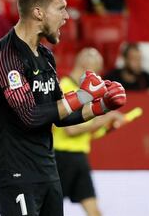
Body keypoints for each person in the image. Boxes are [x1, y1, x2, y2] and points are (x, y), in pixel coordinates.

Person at [0, 0, 126, 216]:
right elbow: (29, 115)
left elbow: (60, 115)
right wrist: (82, 95)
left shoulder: (46, 57)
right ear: (38, 12)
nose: (67, 16)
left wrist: (101, 105)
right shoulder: (5, 55)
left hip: (49, 172)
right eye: (60, 8)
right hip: (16, 173)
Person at [53, 47, 125, 216]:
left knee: (94, 211)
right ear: (86, 65)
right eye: (96, 71)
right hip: (61, 157)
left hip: (79, 158)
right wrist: (104, 119)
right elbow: (70, 130)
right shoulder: (65, 88)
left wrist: (106, 126)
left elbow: (88, 131)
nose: (98, 78)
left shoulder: (85, 94)